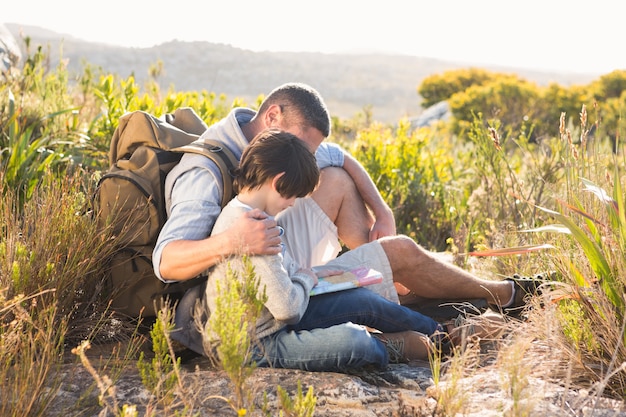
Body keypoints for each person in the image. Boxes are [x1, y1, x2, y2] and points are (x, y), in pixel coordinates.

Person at [154, 82, 542, 352]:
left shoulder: (278, 146)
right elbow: (167, 262)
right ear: (272, 116)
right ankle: (451, 306)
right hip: (248, 298)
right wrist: (233, 241)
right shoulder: (202, 172)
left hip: (280, 261)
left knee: (348, 192)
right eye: (306, 149)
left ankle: (492, 293)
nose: (310, 157)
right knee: (386, 266)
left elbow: (339, 156)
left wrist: (382, 211)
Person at [204, 128, 449, 370]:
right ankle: (394, 346)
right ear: (278, 183)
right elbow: (287, 309)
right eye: (294, 197)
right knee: (355, 342)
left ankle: (440, 333)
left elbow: (281, 273)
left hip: (272, 320)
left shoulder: (254, 215)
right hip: (252, 344)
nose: (291, 204)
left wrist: (315, 275)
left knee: (362, 300)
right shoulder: (254, 229)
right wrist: (305, 277)